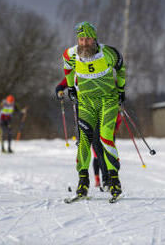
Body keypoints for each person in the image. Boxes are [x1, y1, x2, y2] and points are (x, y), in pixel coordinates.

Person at [62, 22, 126, 198]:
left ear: (94, 39)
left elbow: (120, 68)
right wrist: (71, 89)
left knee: (105, 137)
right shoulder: (71, 54)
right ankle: (83, 181)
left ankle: (113, 180)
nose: (84, 43)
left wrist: (121, 90)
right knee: (84, 141)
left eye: (88, 39)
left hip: (108, 100)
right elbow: (67, 69)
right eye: (81, 39)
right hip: (86, 103)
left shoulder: (108, 53)